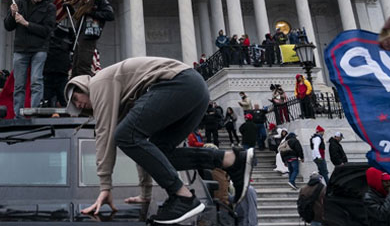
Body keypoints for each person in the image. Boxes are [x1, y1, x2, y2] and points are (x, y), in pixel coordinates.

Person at [64, 57, 254, 224]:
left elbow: (105, 136)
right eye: (75, 107)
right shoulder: (122, 98)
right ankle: (230, 160)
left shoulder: (99, 83)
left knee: (123, 135)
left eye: (76, 98)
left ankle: (183, 197)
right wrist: (145, 195)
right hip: (194, 89)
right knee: (157, 151)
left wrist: (105, 186)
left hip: (180, 83)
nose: (78, 105)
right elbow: (143, 151)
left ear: (81, 86)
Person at [4, 0, 56, 118]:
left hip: (39, 48)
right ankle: (18, 115)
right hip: (21, 49)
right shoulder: (20, 3)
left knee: (36, 81)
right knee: (19, 85)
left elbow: (47, 31)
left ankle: (34, 113)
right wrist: (12, 14)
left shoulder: (50, 7)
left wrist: (26, 23)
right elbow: (8, 26)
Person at [70, 0, 115, 77]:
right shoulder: (84, 0)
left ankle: (84, 88)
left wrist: (92, 12)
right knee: (76, 67)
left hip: (89, 35)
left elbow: (110, 14)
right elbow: (80, 17)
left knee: (83, 67)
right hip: (80, 36)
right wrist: (71, 9)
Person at [43, 24, 74, 107]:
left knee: (64, 101)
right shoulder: (48, 35)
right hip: (50, 73)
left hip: (60, 73)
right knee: (47, 101)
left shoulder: (70, 37)